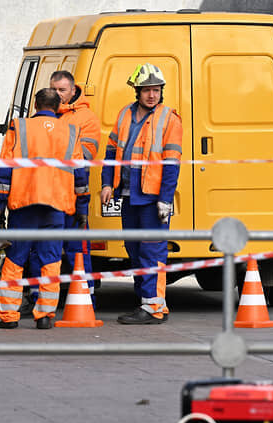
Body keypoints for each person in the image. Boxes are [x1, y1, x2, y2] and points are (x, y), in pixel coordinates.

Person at [0, 88, 88, 330]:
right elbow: (80, 175)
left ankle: (9, 317)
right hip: (56, 207)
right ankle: (45, 316)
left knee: (15, 260)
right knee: (51, 261)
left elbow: (5, 171)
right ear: (58, 108)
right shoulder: (70, 131)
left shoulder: (18, 127)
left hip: (23, 205)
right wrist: (82, 209)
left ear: (35, 105)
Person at [100, 64, 183, 325]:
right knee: (134, 250)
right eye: (147, 90)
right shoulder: (125, 114)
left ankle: (153, 308)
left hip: (151, 197)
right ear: (137, 91)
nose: (152, 95)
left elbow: (171, 163)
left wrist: (165, 199)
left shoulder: (169, 118)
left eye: (156, 90)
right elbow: (111, 153)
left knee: (152, 252)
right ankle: (147, 302)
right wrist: (106, 184)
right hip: (129, 194)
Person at [22, 71, 102, 315]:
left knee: (78, 249)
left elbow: (86, 156)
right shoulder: (43, 116)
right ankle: (40, 298)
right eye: (53, 90)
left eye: (61, 91)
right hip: (44, 193)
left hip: (72, 194)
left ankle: (84, 300)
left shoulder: (87, 118)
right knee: (41, 248)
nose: (56, 95)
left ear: (73, 90)